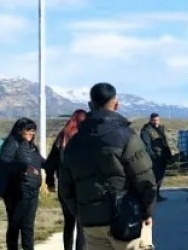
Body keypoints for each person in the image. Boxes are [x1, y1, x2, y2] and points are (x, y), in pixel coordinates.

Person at [59, 82, 157, 250]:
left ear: (90, 105)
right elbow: (145, 179)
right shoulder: (126, 137)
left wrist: (82, 213)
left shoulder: (74, 143)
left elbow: (65, 187)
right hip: (126, 218)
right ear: (116, 104)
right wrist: (147, 211)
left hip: (91, 224)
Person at [45, 109, 88, 250]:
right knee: (82, 224)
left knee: (69, 222)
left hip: (64, 185)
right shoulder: (85, 137)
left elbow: (51, 162)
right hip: (82, 185)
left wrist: (50, 181)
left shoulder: (62, 136)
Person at [0, 118, 45, 250]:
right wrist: (23, 167)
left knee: (28, 226)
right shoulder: (12, 144)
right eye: (28, 130)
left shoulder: (31, 147)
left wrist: (58, 162)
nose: (32, 133)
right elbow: (4, 164)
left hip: (32, 191)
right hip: (16, 192)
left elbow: (42, 162)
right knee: (15, 225)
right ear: (20, 131)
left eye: (33, 130)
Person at [140, 113, 172, 202]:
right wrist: (152, 156)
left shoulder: (160, 129)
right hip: (154, 158)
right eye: (154, 120)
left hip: (162, 156)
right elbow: (146, 145)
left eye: (157, 120)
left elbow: (165, 143)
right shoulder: (146, 130)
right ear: (150, 120)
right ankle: (153, 196)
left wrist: (168, 154)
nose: (156, 122)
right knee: (155, 177)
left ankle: (157, 194)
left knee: (160, 177)